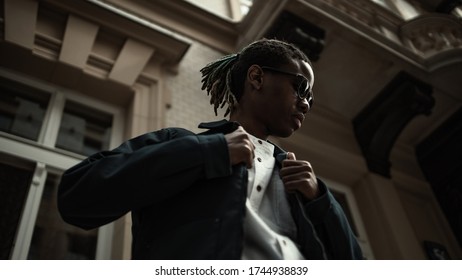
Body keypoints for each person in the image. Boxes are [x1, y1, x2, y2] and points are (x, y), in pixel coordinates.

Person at [58, 38, 363, 260]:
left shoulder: (301, 182)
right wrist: (208, 153)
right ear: (256, 77)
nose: (306, 104)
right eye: (301, 87)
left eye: (311, 97)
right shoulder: (179, 143)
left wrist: (321, 202)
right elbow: (76, 197)